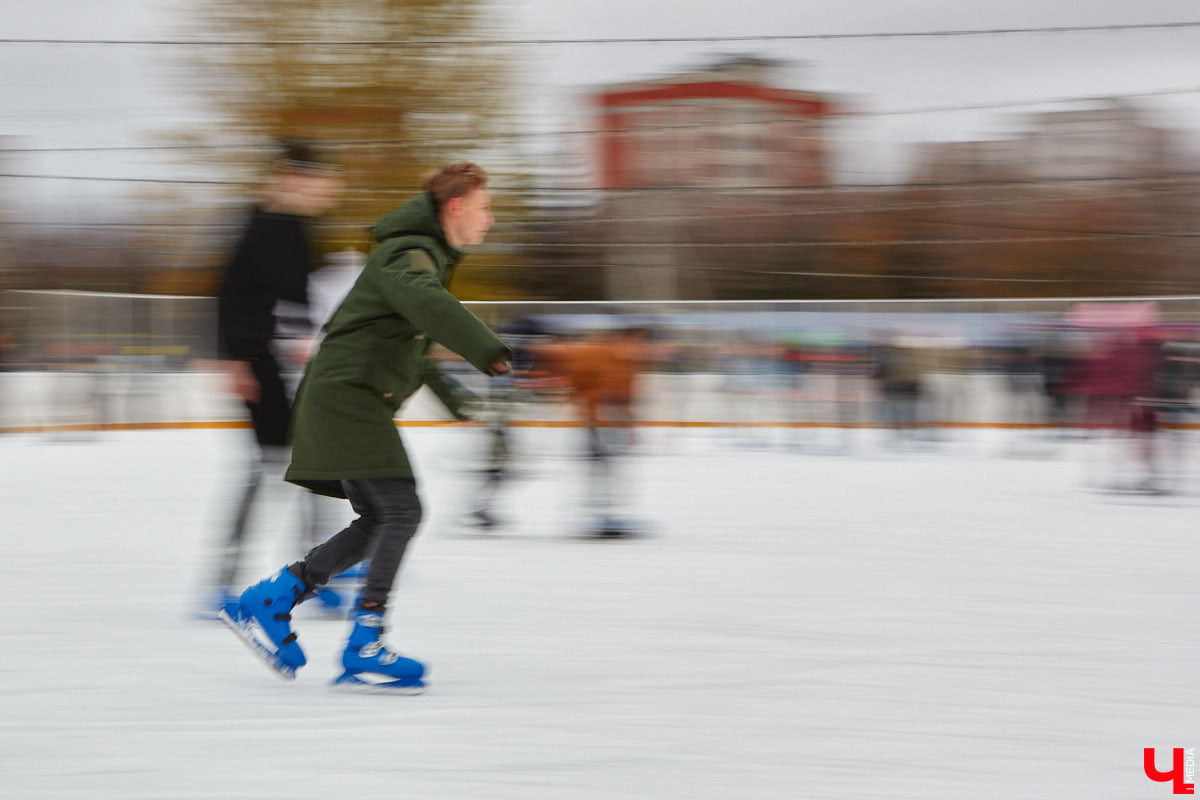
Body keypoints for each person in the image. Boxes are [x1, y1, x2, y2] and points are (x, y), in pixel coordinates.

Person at [220, 162, 511, 691]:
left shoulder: (423, 256)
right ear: (455, 206)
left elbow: (417, 350)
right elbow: (427, 302)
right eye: (484, 207)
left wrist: (459, 402)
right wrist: (487, 348)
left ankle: (276, 596)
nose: (490, 219)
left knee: (381, 516)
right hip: (347, 399)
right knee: (401, 510)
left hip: (347, 398)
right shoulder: (410, 254)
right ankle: (364, 641)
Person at [203, 141, 343, 616]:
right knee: (271, 466)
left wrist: (309, 338)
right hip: (260, 365)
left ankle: (316, 573)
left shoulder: (297, 229)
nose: (328, 191)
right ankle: (222, 582)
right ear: (292, 179)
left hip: (289, 364)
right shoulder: (261, 225)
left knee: (311, 464)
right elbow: (229, 295)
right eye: (321, 181)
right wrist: (237, 360)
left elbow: (302, 295)